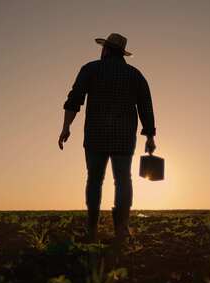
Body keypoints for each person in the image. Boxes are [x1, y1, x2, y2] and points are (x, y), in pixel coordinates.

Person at [58, 33, 157, 243]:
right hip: (124, 136)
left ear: (106, 50)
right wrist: (150, 136)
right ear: (121, 53)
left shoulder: (90, 69)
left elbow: (74, 99)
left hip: (95, 134)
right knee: (123, 180)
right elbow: (145, 107)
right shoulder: (135, 75)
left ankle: (92, 231)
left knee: (94, 180)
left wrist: (66, 127)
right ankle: (121, 230)